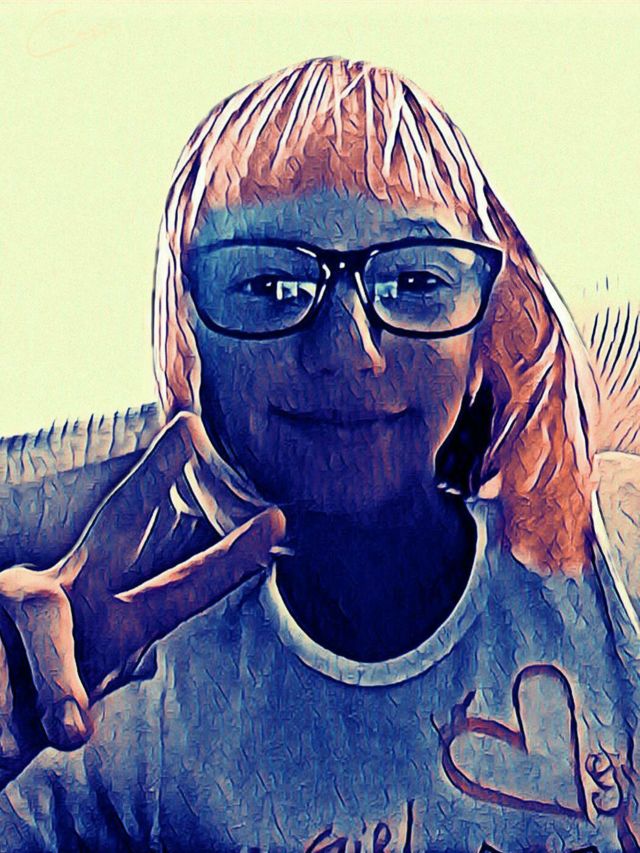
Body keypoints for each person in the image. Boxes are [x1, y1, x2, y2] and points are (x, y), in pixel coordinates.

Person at [0, 56, 639, 852]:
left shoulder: (617, 557)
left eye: (415, 281)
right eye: (270, 287)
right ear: (190, 335)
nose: (349, 351)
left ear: (488, 322)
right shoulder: (129, 702)